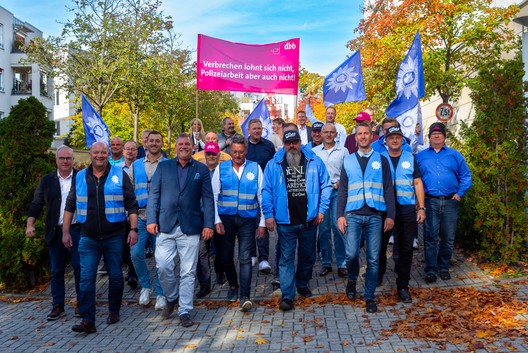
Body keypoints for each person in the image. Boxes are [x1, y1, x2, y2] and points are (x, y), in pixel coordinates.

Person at [63, 142, 138, 333]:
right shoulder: (80, 176)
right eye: (96, 152)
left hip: (114, 236)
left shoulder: (119, 174)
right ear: (90, 154)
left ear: (109, 154)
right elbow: (70, 205)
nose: (99, 155)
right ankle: (88, 320)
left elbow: (131, 204)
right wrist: (65, 231)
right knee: (86, 278)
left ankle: (114, 310)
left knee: (115, 275)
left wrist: (134, 229)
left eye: (103, 152)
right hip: (87, 237)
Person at [146, 133, 214, 327]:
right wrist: (151, 219)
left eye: (187, 144)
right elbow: (153, 196)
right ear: (175, 147)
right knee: (163, 266)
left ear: (193, 147)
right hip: (165, 226)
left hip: (191, 227)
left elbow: (208, 199)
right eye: (180, 144)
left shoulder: (201, 169)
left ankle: (185, 310)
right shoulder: (163, 167)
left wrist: (208, 224)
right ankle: (172, 296)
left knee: (188, 271)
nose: (184, 146)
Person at [262, 130, 332, 311]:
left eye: (295, 142)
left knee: (307, 255)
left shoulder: (314, 161)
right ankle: (287, 294)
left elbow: (326, 185)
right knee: (286, 258)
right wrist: (268, 214)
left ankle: (302, 283)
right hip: (285, 221)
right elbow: (266, 190)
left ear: (301, 142)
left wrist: (322, 210)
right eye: (288, 142)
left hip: (310, 219)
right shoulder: (274, 164)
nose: (291, 146)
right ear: (283, 144)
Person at [337, 122, 396, 313]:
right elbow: (343, 190)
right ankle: (352, 280)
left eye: (366, 133)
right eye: (359, 134)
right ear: (355, 137)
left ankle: (370, 296)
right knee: (351, 254)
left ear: (372, 136)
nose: (363, 136)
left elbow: (388, 188)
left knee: (373, 259)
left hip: (375, 215)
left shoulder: (382, 159)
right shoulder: (348, 161)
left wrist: (391, 215)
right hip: (353, 214)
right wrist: (339, 215)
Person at [26, 146, 81, 320]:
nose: (65, 161)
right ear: (56, 160)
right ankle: (58, 305)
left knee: (80, 268)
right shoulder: (47, 180)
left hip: (77, 230)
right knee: (56, 270)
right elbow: (36, 204)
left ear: (73, 160)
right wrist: (30, 224)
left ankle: (82, 303)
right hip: (55, 232)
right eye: (62, 158)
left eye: (68, 158)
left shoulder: (81, 178)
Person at [213, 135, 266, 311]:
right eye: (234, 152)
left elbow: (261, 197)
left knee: (245, 257)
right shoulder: (221, 168)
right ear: (230, 151)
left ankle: (245, 295)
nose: (237, 155)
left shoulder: (255, 168)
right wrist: (216, 220)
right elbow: (213, 196)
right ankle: (233, 286)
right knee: (226, 256)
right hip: (225, 219)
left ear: (246, 151)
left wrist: (263, 223)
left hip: (247, 219)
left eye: (241, 152)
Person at [416, 123, 472, 283]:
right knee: (430, 237)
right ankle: (431, 270)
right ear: (429, 137)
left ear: (444, 137)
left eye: (439, 133)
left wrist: (460, 194)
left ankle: (444, 267)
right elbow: (414, 179)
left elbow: (466, 176)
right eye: (433, 134)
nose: (436, 136)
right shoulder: (421, 157)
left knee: (448, 237)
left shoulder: (455, 155)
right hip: (429, 201)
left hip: (450, 202)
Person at [378, 126, 425, 302]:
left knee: (405, 249)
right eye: (391, 137)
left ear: (402, 140)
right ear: (386, 140)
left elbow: (418, 183)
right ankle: (379, 274)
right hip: (384, 209)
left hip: (406, 210)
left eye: (398, 137)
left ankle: (402, 285)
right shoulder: (379, 158)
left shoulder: (410, 158)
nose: (395, 140)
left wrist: (421, 208)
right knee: (380, 245)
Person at [128, 131, 167, 310]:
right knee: (135, 253)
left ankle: (160, 293)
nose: (154, 143)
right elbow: (128, 192)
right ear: (146, 143)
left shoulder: (168, 165)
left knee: (161, 258)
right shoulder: (135, 165)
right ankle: (146, 286)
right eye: (151, 140)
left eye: (157, 141)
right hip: (140, 217)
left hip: (161, 218)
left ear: (162, 143)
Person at [312, 124, 349, 278]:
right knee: (324, 229)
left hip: (338, 192)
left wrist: (338, 183)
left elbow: (347, 172)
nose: (328, 134)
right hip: (321, 195)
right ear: (321, 134)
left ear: (336, 134)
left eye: (331, 132)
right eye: (325, 132)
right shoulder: (314, 152)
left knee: (338, 226)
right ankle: (326, 263)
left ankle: (342, 264)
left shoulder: (343, 150)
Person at [196, 142, 226, 296]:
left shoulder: (224, 171)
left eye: (214, 154)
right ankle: (204, 284)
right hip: (202, 217)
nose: (212, 156)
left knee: (220, 249)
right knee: (202, 251)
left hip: (220, 217)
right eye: (209, 154)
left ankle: (220, 272)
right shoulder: (199, 172)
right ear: (205, 155)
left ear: (219, 155)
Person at [245, 119, 275, 273]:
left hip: (264, 190)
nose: (257, 131)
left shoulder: (268, 146)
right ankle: (251, 255)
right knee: (249, 224)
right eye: (254, 128)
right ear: (248, 130)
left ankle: (263, 258)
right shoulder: (244, 146)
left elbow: (274, 167)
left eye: (259, 128)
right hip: (247, 191)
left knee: (263, 223)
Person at [117, 140, 139, 289]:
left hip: (138, 211)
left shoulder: (141, 167)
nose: (130, 152)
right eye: (127, 149)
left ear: (137, 152)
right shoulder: (115, 169)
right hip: (121, 212)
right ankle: (131, 271)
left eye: (133, 149)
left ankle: (133, 273)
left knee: (135, 245)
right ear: (123, 151)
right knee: (126, 245)